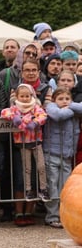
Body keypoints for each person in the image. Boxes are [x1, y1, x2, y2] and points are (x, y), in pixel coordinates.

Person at [1, 83, 48, 205]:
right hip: (22, 142)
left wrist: (36, 122)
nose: (25, 98)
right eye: (22, 96)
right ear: (17, 96)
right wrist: (14, 117)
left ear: (31, 95)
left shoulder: (35, 106)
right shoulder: (15, 108)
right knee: (27, 168)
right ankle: (28, 190)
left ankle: (43, 189)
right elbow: (4, 112)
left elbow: (43, 115)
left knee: (41, 166)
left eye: (27, 96)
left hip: (36, 140)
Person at [42, 87, 82, 228]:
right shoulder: (50, 106)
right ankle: (52, 216)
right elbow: (57, 115)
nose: (64, 102)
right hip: (52, 153)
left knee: (66, 187)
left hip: (67, 154)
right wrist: (72, 109)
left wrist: (70, 105)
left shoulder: (71, 107)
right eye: (61, 99)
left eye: (67, 99)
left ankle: (65, 216)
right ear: (54, 99)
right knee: (52, 185)